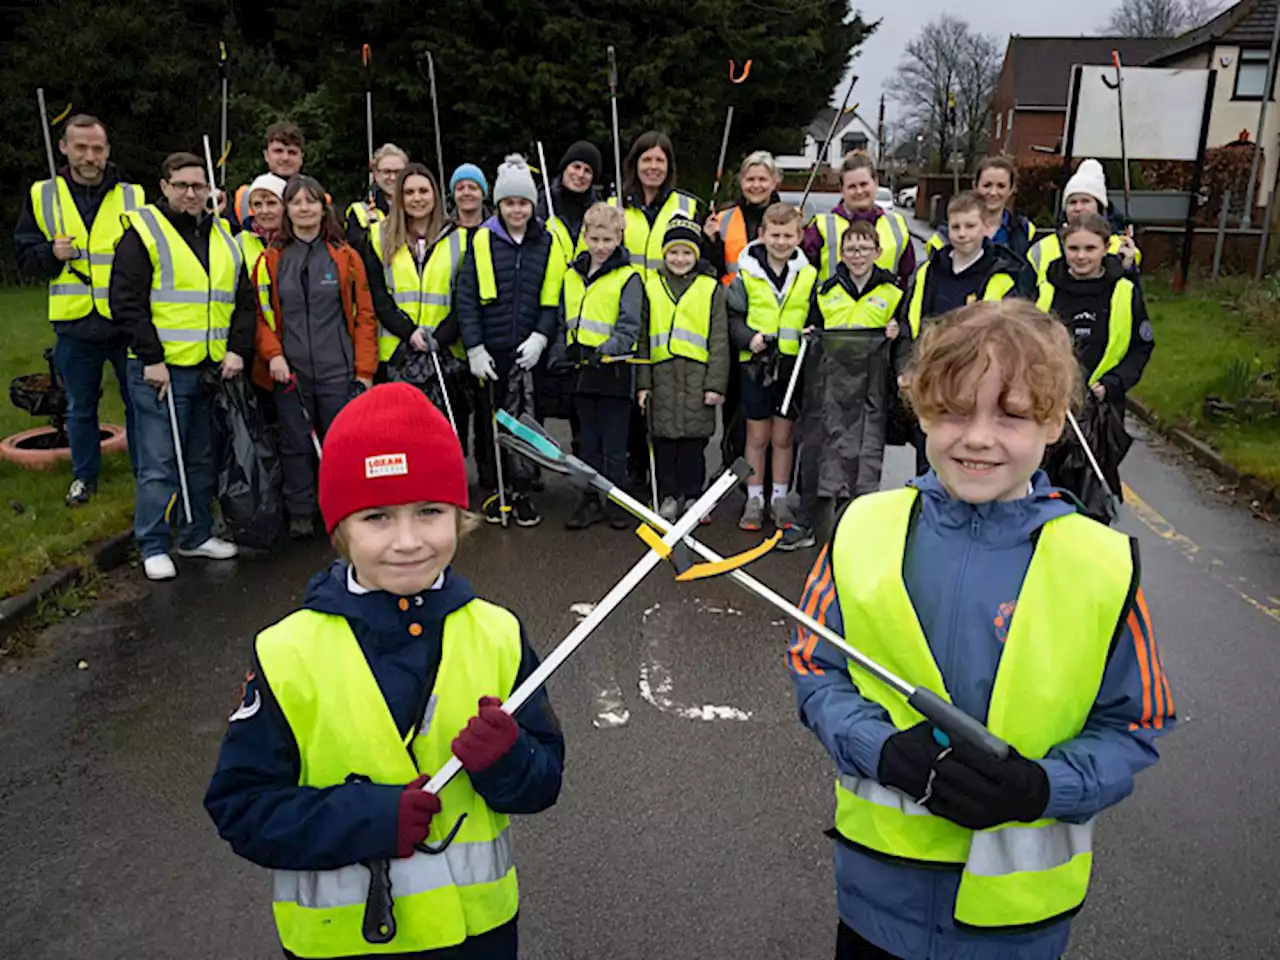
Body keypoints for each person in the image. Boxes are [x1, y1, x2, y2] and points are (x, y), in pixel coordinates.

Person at [789, 299, 1173, 960]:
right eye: (955, 411)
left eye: (1012, 415)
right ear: (923, 411)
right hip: (879, 901)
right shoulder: (863, 529)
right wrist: (875, 746)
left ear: (1053, 422)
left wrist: (1044, 787)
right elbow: (815, 666)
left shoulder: (1100, 565)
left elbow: (1135, 725)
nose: (977, 437)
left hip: (1018, 925)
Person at [204, 381, 564, 960]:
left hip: (479, 941)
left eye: (429, 512)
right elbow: (241, 809)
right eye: (376, 517)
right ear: (340, 529)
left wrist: (511, 759)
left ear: (459, 515)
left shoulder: (498, 633)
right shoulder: (287, 652)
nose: (408, 542)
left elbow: (543, 781)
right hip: (345, 945)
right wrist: (366, 817)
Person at [110, 152, 250, 580]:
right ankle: (153, 543)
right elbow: (127, 302)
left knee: (201, 459)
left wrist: (237, 349)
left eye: (198, 186)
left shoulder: (225, 236)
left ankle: (195, 535)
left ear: (209, 190)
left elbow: (242, 302)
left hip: (210, 370)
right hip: (161, 372)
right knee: (158, 462)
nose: (192, 193)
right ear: (165, 187)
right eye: (183, 185)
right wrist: (151, 357)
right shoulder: (144, 232)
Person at [14, 113, 143, 506]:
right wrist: (51, 254)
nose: (90, 156)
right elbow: (24, 256)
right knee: (80, 409)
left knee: (139, 405)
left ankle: (147, 474)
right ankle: (84, 477)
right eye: (82, 147)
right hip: (75, 323)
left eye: (97, 148)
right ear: (64, 148)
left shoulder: (132, 196)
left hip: (125, 321)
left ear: (107, 151)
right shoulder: (43, 195)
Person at [252, 175, 377, 539]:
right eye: (296, 202)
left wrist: (364, 371)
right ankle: (301, 512)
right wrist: (273, 356)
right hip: (290, 371)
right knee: (295, 443)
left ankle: (345, 510)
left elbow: (365, 316)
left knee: (342, 444)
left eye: (311, 201)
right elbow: (261, 315)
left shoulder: (346, 257)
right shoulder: (270, 260)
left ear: (324, 207)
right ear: (286, 210)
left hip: (338, 369)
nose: (304, 208)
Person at [782, 221, 903, 552]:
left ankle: (856, 527)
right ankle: (806, 521)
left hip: (871, 388)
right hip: (828, 385)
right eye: (851, 248)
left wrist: (897, 331)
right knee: (816, 450)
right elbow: (813, 324)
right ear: (842, 253)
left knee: (864, 455)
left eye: (865, 248)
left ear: (878, 252)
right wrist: (811, 333)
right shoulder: (826, 289)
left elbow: (905, 334)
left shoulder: (893, 292)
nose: (858, 254)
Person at [456, 154, 563, 527]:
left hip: (529, 350)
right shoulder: (483, 240)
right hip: (492, 350)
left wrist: (540, 336)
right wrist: (474, 347)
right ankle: (497, 489)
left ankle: (523, 487)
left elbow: (552, 299)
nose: (516, 210)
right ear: (499, 204)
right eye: (509, 203)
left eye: (522, 203)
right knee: (493, 422)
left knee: (527, 420)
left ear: (532, 205)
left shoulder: (547, 243)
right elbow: (466, 296)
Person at [896, 191, 1033, 474]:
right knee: (930, 456)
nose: (962, 234)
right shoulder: (930, 271)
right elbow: (911, 323)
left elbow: (1013, 334)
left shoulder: (1003, 276)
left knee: (970, 459)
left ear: (985, 227)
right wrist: (908, 368)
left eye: (970, 226)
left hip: (980, 384)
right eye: (956, 227)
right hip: (934, 379)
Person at [1036, 214, 1154, 517]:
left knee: (1092, 500)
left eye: (1090, 248)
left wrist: (1114, 383)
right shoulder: (1047, 289)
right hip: (1048, 405)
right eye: (1074, 248)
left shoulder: (1124, 292)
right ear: (1063, 248)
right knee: (1041, 492)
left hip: (1100, 410)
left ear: (1105, 248)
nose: (1081, 256)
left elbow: (1141, 347)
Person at [727, 202, 816, 532]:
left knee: (784, 435)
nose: (780, 241)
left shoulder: (808, 275)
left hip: (792, 365)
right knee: (757, 434)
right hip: (756, 364)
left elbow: (815, 313)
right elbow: (733, 316)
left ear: (799, 237)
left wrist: (811, 329)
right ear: (762, 234)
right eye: (774, 234)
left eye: (787, 235)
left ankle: (779, 497)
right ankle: (754, 498)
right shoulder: (746, 273)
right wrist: (748, 338)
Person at [637, 217, 730, 523]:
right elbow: (643, 339)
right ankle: (667, 494)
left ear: (697, 255)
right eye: (673, 252)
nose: (680, 259)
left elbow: (719, 338)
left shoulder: (710, 288)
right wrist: (643, 383)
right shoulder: (651, 286)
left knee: (694, 442)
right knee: (663, 441)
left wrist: (716, 383)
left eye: (687, 253)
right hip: (662, 377)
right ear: (664, 254)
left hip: (697, 377)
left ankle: (692, 495)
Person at [559, 202, 644, 531]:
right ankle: (590, 499)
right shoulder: (572, 273)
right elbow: (564, 318)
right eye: (595, 239)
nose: (601, 246)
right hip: (581, 370)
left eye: (608, 240)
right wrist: (566, 349)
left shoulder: (628, 276)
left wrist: (602, 350)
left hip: (612, 370)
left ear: (620, 237)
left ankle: (617, 499)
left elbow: (629, 326)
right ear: (585, 236)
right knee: (587, 442)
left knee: (614, 444)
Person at [365, 163, 458, 371]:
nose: (417, 198)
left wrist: (440, 338)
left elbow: (464, 299)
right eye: (409, 192)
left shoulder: (458, 237)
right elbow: (378, 296)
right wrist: (408, 332)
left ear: (435, 195)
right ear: (400, 198)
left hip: (445, 353)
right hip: (396, 354)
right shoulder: (378, 237)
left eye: (423, 191)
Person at [803, 151, 914, 288]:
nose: (859, 191)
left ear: (876, 183)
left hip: (885, 308)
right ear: (842, 190)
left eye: (864, 184)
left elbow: (907, 277)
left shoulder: (897, 225)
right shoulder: (821, 227)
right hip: (832, 308)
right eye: (852, 186)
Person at [1027, 159, 1141, 285]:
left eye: (1085, 201)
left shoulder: (1123, 249)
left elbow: (1132, 297)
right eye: (1072, 202)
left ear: (1100, 206)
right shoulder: (1040, 249)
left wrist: (1128, 270)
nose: (1078, 208)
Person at [613, 131, 702, 280]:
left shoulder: (688, 207)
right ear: (635, 164)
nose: (653, 166)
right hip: (625, 298)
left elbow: (700, 261)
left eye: (660, 160)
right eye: (646, 160)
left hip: (667, 298)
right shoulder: (614, 206)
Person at [926, 156, 1036, 259]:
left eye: (1001, 186)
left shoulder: (1025, 231)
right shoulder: (945, 235)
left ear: (1011, 189)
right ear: (975, 186)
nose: (993, 192)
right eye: (987, 185)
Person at [702, 150, 783, 285]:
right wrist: (710, 242)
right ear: (741, 182)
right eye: (750, 179)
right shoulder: (721, 219)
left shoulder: (789, 219)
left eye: (762, 179)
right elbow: (712, 268)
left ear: (774, 182)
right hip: (731, 299)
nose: (756, 185)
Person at [230, 121, 306, 228]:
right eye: (278, 151)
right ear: (266, 155)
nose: (285, 158)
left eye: (292, 152)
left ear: (301, 157)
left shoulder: (316, 197)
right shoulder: (243, 198)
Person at [537, 140, 603, 261]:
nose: (580, 174)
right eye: (576, 167)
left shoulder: (600, 211)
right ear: (565, 168)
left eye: (587, 170)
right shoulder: (543, 202)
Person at [344, 142, 409, 251]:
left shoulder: (418, 207)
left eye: (398, 172)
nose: (393, 177)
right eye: (386, 172)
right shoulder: (359, 212)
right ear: (375, 174)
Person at [450, 163, 490, 233]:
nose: (466, 193)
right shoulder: (442, 231)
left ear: (483, 193)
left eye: (472, 188)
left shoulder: (498, 230)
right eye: (460, 188)